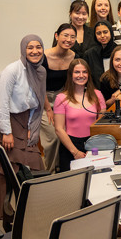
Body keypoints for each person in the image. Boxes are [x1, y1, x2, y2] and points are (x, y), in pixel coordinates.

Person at [0, 35, 47, 217]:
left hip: (23, 120)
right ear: (23, 49)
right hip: (1, 120)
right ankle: (0, 211)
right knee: (1, 167)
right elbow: (3, 103)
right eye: (30, 47)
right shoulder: (12, 70)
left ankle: (33, 207)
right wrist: (6, 132)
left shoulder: (40, 72)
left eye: (38, 47)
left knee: (33, 160)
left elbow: (37, 102)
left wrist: (31, 125)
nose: (35, 51)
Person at [54, 59, 106, 172]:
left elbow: (101, 125)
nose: (81, 75)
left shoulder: (98, 95)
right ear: (70, 75)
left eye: (84, 72)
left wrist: (93, 147)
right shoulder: (61, 98)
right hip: (69, 146)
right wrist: (75, 152)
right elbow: (58, 129)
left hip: (93, 144)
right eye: (77, 72)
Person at [40, 24, 78, 173]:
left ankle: (63, 171)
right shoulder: (43, 56)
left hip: (63, 99)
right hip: (43, 100)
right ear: (56, 36)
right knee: (53, 138)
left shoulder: (74, 56)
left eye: (72, 36)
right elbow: (39, 86)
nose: (69, 39)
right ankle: (49, 174)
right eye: (65, 35)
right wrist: (48, 109)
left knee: (69, 134)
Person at [83, 20, 117, 88]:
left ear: (111, 32)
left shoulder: (119, 51)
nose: (102, 36)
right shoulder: (89, 54)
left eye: (105, 32)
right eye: (98, 33)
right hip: (96, 94)